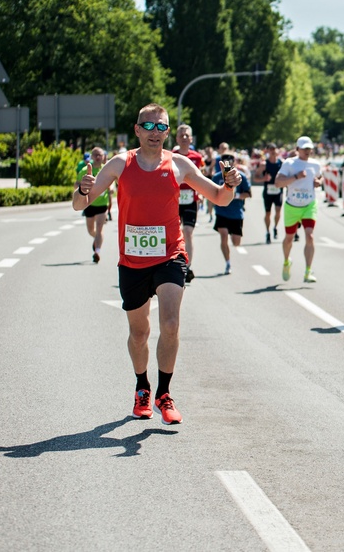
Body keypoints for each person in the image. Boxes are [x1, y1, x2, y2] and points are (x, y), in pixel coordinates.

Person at [73, 103, 242, 425]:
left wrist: (231, 184)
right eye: (148, 126)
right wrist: (81, 191)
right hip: (133, 261)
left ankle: (164, 393)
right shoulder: (120, 164)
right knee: (139, 333)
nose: (155, 132)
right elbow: (80, 203)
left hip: (170, 256)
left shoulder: (179, 165)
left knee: (170, 324)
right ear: (137, 130)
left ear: (168, 131)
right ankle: (142, 387)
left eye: (161, 127)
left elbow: (219, 198)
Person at [276, 136, 323, 283]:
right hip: (292, 206)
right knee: (289, 238)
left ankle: (308, 271)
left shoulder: (315, 165)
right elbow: (278, 183)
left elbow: (320, 178)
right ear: (297, 149)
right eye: (304, 149)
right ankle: (286, 261)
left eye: (309, 148)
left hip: (309, 204)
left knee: (310, 236)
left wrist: (318, 182)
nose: (307, 151)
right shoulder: (289, 163)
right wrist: (295, 177)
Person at [174, 125, 205, 282]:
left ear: (191, 139)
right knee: (173, 234)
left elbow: (201, 176)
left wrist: (201, 192)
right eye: (181, 135)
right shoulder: (171, 156)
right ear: (177, 138)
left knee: (187, 231)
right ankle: (171, 263)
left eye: (187, 135)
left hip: (190, 200)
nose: (184, 137)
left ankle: (188, 266)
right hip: (173, 200)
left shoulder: (197, 157)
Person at [212, 152, 252, 275]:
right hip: (221, 212)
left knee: (236, 242)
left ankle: (231, 243)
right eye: (225, 160)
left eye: (230, 160)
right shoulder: (216, 177)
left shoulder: (241, 177)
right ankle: (228, 263)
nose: (228, 162)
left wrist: (236, 195)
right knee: (223, 235)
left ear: (234, 162)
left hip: (236, 213)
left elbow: (249, 194)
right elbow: (212, 194)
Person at [75, 147, 112, 263]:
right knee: (91, 230)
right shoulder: (85, 170)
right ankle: (96, 239)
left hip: (102, 204)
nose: (97, 157)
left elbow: (112, 185)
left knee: (100, 228)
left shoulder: (107, 170)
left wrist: (111, 189)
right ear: (91, 157)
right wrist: (81, 189)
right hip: (89, 204)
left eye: (100, 155)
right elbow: (77, 184)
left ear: (103, 157)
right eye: (95, 154)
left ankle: (97, 252)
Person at [253, 143, 284, 244]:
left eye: (274, 149)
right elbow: (255, 178)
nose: (273, 151)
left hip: (278, 190)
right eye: (271, 149)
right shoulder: (264, 165)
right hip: (268, 191)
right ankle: (267, 231)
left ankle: (275, 227)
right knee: (268, 213)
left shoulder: (281, 163)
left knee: (278, 211)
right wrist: (264, 179)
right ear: (267, 151)